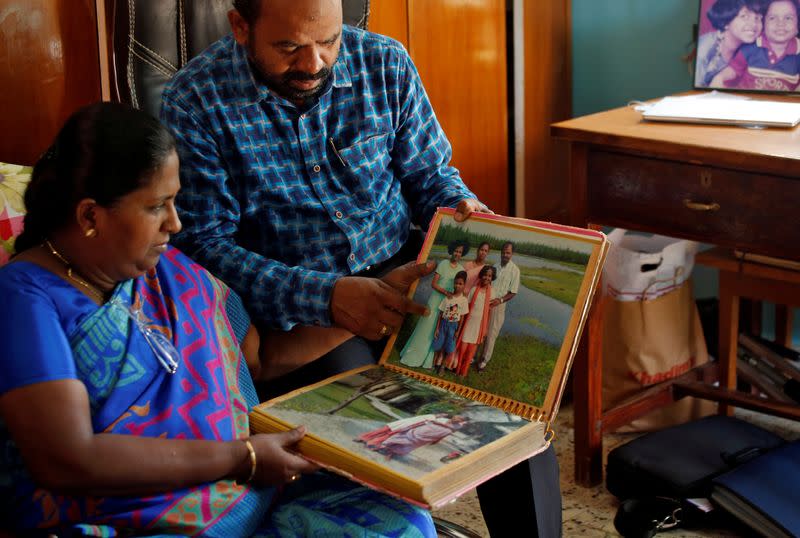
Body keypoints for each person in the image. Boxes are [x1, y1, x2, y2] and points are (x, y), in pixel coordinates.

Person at [160, 1, 562, 535]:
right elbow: (205, 248)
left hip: (405, 267)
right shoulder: (195, 100)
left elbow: (430, 177)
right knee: (379, 421)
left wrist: (468, 214)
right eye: (288, 48)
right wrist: (327, 296)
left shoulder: (385, 63)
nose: (314, 63)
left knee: (509, 419)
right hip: (300, 306)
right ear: (240, 27)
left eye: (328, 40)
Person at [0, 102, 436, 537]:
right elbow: (67, 460)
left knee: (398, 518)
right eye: (157, 206)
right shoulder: (24, 298)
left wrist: (371, 308)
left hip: (250, 493)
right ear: (90, 216)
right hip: (134, 520)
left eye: (175, 201)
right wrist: (241, 457)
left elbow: (260, 359)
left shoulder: (169, 272)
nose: (175, 223)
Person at [400, 241, 468, 369]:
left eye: (460, 252)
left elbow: (460, 289)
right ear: (451, 250)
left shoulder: (461, 269)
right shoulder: (443, 264)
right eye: (455, 251)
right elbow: (434, 284)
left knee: (438, 331)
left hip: (448, 304)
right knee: (426, 327)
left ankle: (428, 360)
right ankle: (413, 356)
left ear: (462, 254)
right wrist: (445, 292)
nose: (457, 254)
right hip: (436, 299)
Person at [711, 0, 800, 90]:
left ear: (797, 25)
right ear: (764, 23)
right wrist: (720, 78)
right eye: (772, 18)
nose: (780, 24)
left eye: (788, 18)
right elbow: (733, 70)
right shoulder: (751, 46)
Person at [696, 0, 766, 87]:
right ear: (726, 22)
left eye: (758, 18)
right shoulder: (704, 50)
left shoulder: (752, 47)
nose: (754, 24)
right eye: (744, 16)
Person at [476, 242, 520, 372]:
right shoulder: (494, 266)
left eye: (508, 253)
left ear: (512, 254)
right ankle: (475, 355)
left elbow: (513, 292)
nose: (505, 255)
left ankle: (483, 361)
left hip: (499, 305)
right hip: (486, 302)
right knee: (481, 330)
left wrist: (500, 300)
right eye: (504, 252)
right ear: (501, 252)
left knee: (491, 334)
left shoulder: (515, 270)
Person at [455, 265, 496, 377]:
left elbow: (489, 312)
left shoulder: (492, 292)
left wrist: (485, 329)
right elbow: (467, 308)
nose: (486, 278)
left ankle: (463, 372)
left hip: (479, 326)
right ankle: (457, 368)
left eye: (489, 276)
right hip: (469, 323)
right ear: (481, 275)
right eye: (485, 275)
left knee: (470, 352)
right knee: (462, 349)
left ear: (492, 278)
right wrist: (461, 323)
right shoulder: (474, 289)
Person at [377, 415, 468, 459]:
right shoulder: (442, 419)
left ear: (460, 421)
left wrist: (438, 439)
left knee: (411, 444)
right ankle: (382, 446)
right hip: (422, 430)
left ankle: (391, 453)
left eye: (459, 419)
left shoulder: (457, 426)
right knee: (401, 437)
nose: (456, 419)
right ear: (453, 417)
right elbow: (429, 422)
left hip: (430, 436)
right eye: (456, 417)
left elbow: (448, 432)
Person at [433, 271, 470, 375]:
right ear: (453, 283)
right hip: (443, 324)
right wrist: (437, 328)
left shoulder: (463, 300)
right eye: (456, 283)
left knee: (449, 347)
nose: (457, 286)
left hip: (453, 326)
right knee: (438, 344)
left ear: (464, 285)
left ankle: (443, 366)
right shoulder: (447, 297)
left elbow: (462, 318)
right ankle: (434, 363)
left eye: (460, 284)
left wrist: (458, 331)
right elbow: (440, 314)